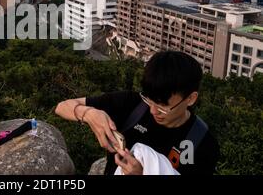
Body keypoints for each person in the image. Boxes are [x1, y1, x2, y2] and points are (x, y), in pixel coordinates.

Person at [55, 51, 219, 175]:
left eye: (162, 106)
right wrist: (89, 114)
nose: (153, 111)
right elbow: (62, 107)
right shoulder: (132, 105)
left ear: (190, 99)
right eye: (150, 100)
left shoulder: (202, 143)